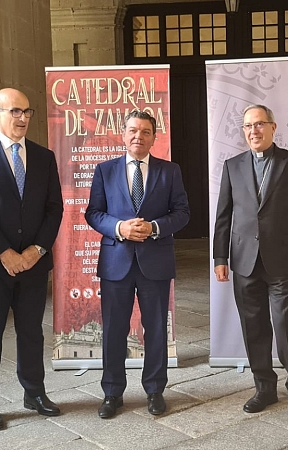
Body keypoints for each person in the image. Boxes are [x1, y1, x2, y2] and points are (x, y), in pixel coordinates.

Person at [213, 104, 288, 419]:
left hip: (284, 260)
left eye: (259, 124)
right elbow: (223, 216)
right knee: (253, 327)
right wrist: (220, 257)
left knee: (285, 324)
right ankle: (264, 388)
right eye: (247, 126)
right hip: (244, 261)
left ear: (273, 127)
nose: (253, 131)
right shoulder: (232, 166)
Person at [85, 110, 189, 419]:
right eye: (132, 130)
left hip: (154, 262)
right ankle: (112, 392)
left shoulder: (170, 171)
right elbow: (93, 213)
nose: (138, 136)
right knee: (114, 330)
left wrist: (154, 227)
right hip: (116, 262)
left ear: (155, 137)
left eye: (145, 131)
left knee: (155, 329)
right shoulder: (105, 170)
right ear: (123, 133)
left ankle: (155, 390)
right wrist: (120, 228)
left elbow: (182, 212)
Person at [0, 88, 64, 429]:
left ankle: (34, 392)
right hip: (0, 263)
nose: (22, 118)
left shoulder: (43, 157)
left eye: (27, 112)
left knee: (31, 332)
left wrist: (36, 250)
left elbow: (55, 208)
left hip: (34, 265)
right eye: (14, 112)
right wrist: (5, 252)